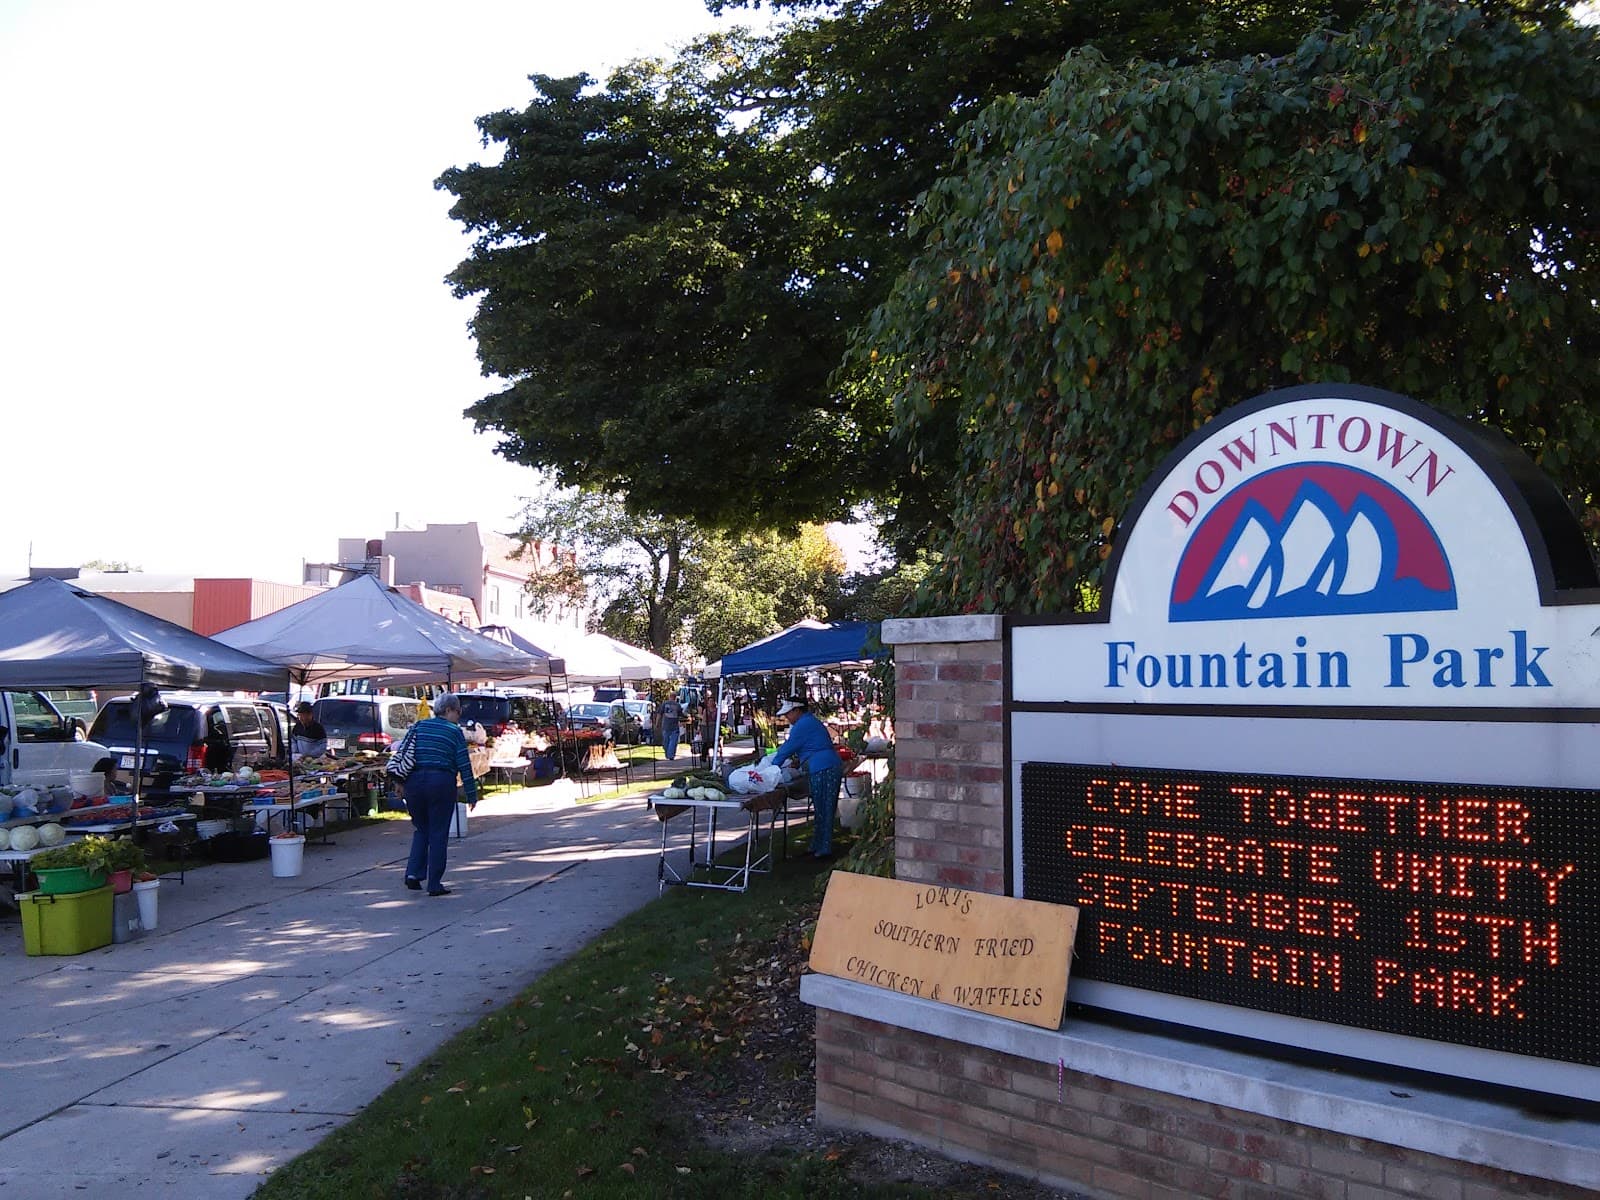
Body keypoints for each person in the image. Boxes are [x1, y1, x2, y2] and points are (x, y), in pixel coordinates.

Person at [401, 692, 478, 897]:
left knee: (421, 829)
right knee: (438, 832)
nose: (459, 716)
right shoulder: (454, 732)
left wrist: (399, 783)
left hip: (414, 783)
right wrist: (471, 793)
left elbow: (403, 753)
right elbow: (464, 764)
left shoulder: (418, 726)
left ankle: (413, 873)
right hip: (440, 782)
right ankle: (434, 883)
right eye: (458, 712)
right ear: (449, 710)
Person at [770, 695, 844, 861]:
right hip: (826, 766)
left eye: (788, 713)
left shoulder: (802, 725)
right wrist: (798, 761)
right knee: (822, 808)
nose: (787, 717)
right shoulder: (809, 722)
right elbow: (812, 746)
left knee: (824, 809)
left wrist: (771, 768)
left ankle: (823, 849)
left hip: (824, 768)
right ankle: (817, 845)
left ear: (797, 710)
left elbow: (786, 749)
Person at [657, 694, 686, 761]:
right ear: (675, 698)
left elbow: (659, 714)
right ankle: (671, 755)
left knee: (665, 741)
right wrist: (687, 717)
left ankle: (667, 754)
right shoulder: (677, 705)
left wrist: (657, 723)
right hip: (674, 725)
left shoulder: (664, 704)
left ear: (669, 697)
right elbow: (681, 715)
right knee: (673, 741)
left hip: (665, 725)